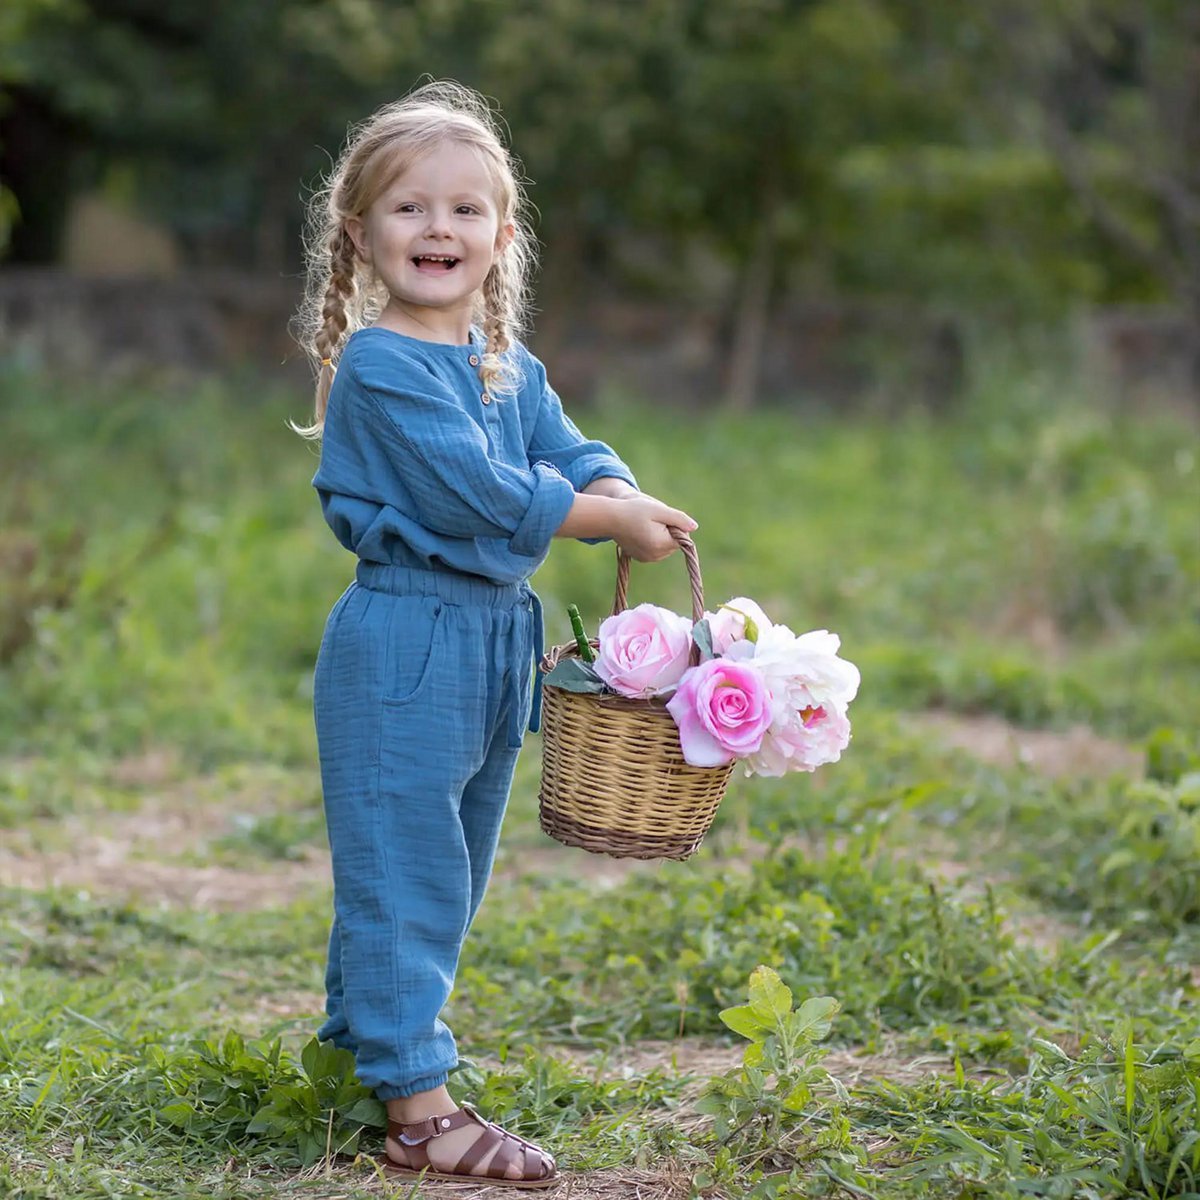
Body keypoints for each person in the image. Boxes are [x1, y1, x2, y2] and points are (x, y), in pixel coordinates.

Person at [289, 79, 698, 1187]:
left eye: (466, 210)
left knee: (447, 874)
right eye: (411, 208)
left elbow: (566, 449)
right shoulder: (381, 364)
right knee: (405, 870)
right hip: (405, 642)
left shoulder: (506, 367)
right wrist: (606, 520)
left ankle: (360, 1061)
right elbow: (478, 492)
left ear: (502, 235)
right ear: (362, 231)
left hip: (492, 645)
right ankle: (420, 1111)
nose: (439, 229)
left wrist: (616, 485)